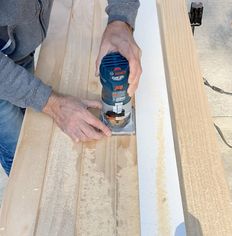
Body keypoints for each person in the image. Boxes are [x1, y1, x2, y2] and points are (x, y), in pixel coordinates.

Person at [0, 0, 142, 176]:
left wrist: (121, 20)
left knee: (30, 123)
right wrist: (49, 103)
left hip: (17, 47)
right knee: (21, 156)